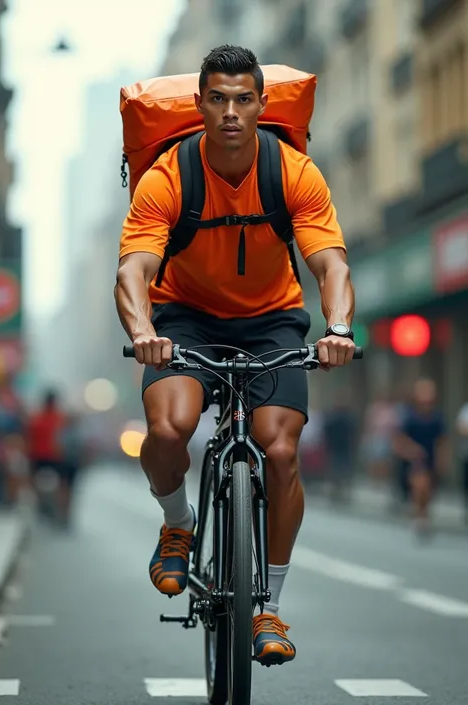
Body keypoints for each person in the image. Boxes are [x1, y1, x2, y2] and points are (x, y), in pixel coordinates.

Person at [115, 45, 356, 665]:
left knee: (279, 449)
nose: (230, 112)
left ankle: (268, 605)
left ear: (261, 104)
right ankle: (177, 522)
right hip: (184, 322)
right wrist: (144, 328)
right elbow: (135, 269)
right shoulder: (170, 175)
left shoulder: (293, 172)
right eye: (217, 99)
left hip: (272, 322)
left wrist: (338, 328)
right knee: (168, 429)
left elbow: (329, 262)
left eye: (243, 99)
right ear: (199, 106)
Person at [393, 378, 449, 538]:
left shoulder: (437, 417)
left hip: (431, 459)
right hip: (416, 461)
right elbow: (399, 439)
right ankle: (419, 517)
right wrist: (411, 450)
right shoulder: (409, 416)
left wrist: (443, 458)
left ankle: (424, 514)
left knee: (429, 490)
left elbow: (442, 440)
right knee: (420, 486)